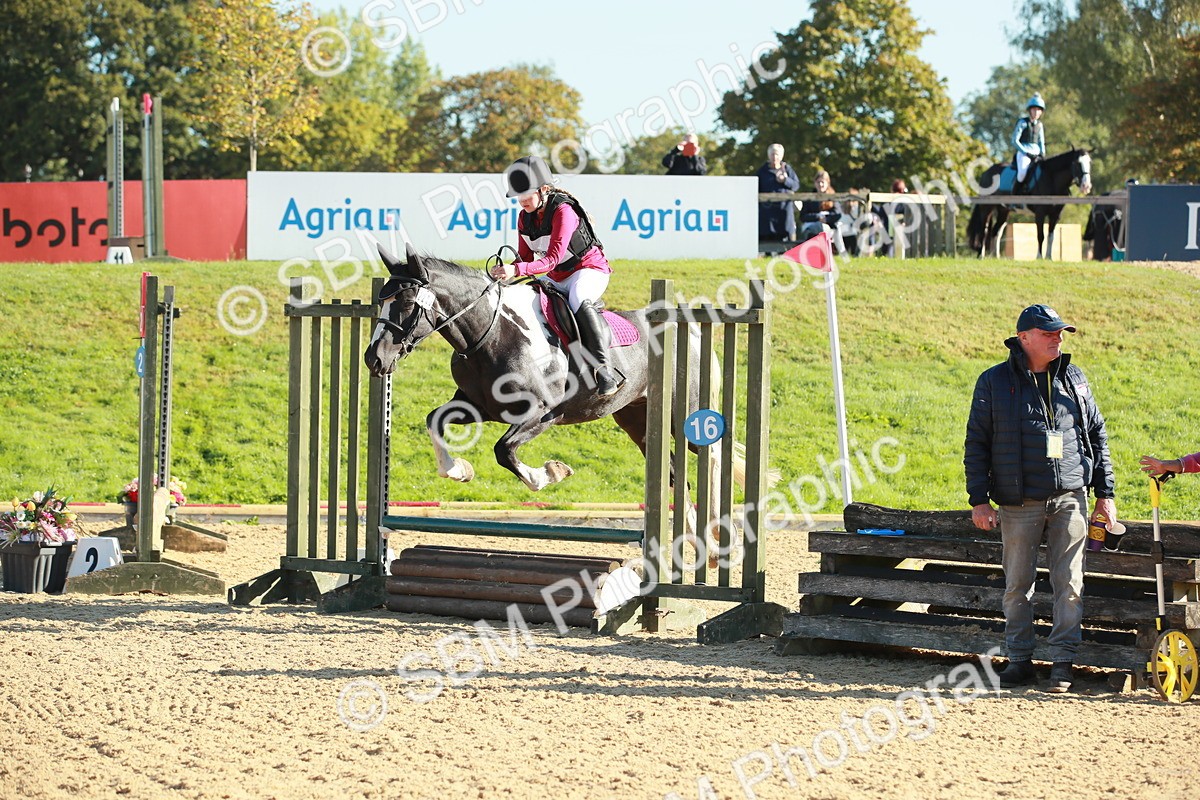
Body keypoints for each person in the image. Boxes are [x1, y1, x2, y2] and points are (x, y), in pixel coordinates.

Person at [964, 304, 1117, 693]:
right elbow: (976, 443)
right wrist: (978, 500)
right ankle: (1020, 662)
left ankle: (1062, 664)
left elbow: (1097, 435)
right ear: (1024, 338)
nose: (1059, 339)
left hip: (1070, 496)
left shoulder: (1074, 377)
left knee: (1070, 583)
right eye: (1050, 333)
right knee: (1018, 586)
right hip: (1017, 503)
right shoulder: (993, 381)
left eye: (1060, 333)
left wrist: (1106, 494)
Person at [490, 155, 622, 397]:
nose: (521, 201)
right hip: (557, 275)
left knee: (579, 298)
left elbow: (551, 258)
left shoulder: (564, 211)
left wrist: (517, 270)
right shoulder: (524, 217)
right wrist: (505, 271)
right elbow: (524, 258)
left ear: (544, 189)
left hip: (588, 269)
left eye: (526, 194)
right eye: (518, 196)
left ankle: (605, 371)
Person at [756, 143, 800, 241]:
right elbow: (756, 189)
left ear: (781, 156)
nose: (775, 157)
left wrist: (785, 180)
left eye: (777, 154)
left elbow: (796, 186)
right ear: (768, 155)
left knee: (786, 238)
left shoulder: (788, 169)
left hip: (784, 210)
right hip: (767, 211)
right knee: (766, 239)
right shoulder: (762, 171)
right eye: (772, 154)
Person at [797, 169, 845, 252]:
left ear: (827, 183)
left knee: (830, 228)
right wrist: (818, 217)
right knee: (818, 228)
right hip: (812, 225)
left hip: (829, 226)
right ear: (815, 183)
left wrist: (826, 219)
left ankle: (840, 252)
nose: (820, 184)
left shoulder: (832, 197)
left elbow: (838, 214)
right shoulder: (809, 198)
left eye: (822, 182)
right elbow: (803, 216)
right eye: (818, 182)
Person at [1011, 94, 1046, 194]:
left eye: (1038, 110)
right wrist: (1025, 152)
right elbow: (1014, 140)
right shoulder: (1022, 122)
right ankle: (1014, 197)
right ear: (1029, 110)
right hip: (1024, 154)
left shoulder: (1040, 125)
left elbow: (1041, 141)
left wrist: (1043, 154)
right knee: (1022, 174)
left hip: (1037, 154)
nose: (1036, 112)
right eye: (1034, 109)